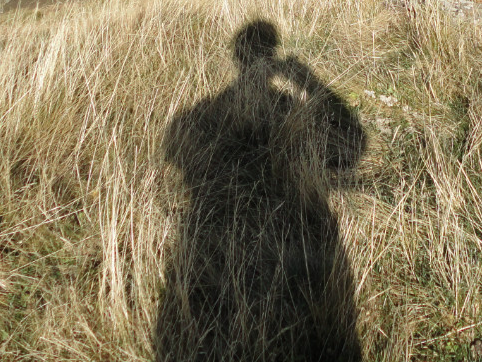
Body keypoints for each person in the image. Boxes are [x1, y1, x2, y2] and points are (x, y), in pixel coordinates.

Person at [156, 19, 366, 362]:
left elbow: (172, 150)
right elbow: (354, 148)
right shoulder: (280, 104)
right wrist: (305, 80)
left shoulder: (203, 114)